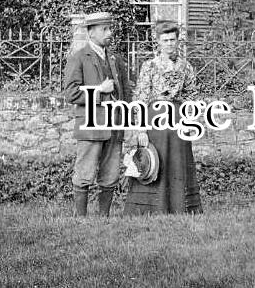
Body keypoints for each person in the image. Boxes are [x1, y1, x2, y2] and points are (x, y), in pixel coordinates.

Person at [122, 21, 203, 215]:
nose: (169, 44)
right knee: (155, 159)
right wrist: (141, 128)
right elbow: (141, 97)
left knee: (178, 160)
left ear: (177, 41)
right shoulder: (149, 66)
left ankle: (178, 207)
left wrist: (189, 118)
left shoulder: (186, 66)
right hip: (155, 118)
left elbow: (192, 94)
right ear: (158, 42)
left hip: (177, 119)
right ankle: (152, 208)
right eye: (165, 40)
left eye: (172, 40)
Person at [61, 11, 131, 217]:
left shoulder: (116, 59)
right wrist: (99, 90)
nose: (109, 33)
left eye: (110, 29)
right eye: (104, 29)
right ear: (91, 32)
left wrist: (128, 122)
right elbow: (71, 93)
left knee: (110, 174)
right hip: (90, 126)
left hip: (114, 124)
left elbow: (126, 93)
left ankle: (104, 218)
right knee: (84, 173)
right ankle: (81, 218)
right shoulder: (78, 57)